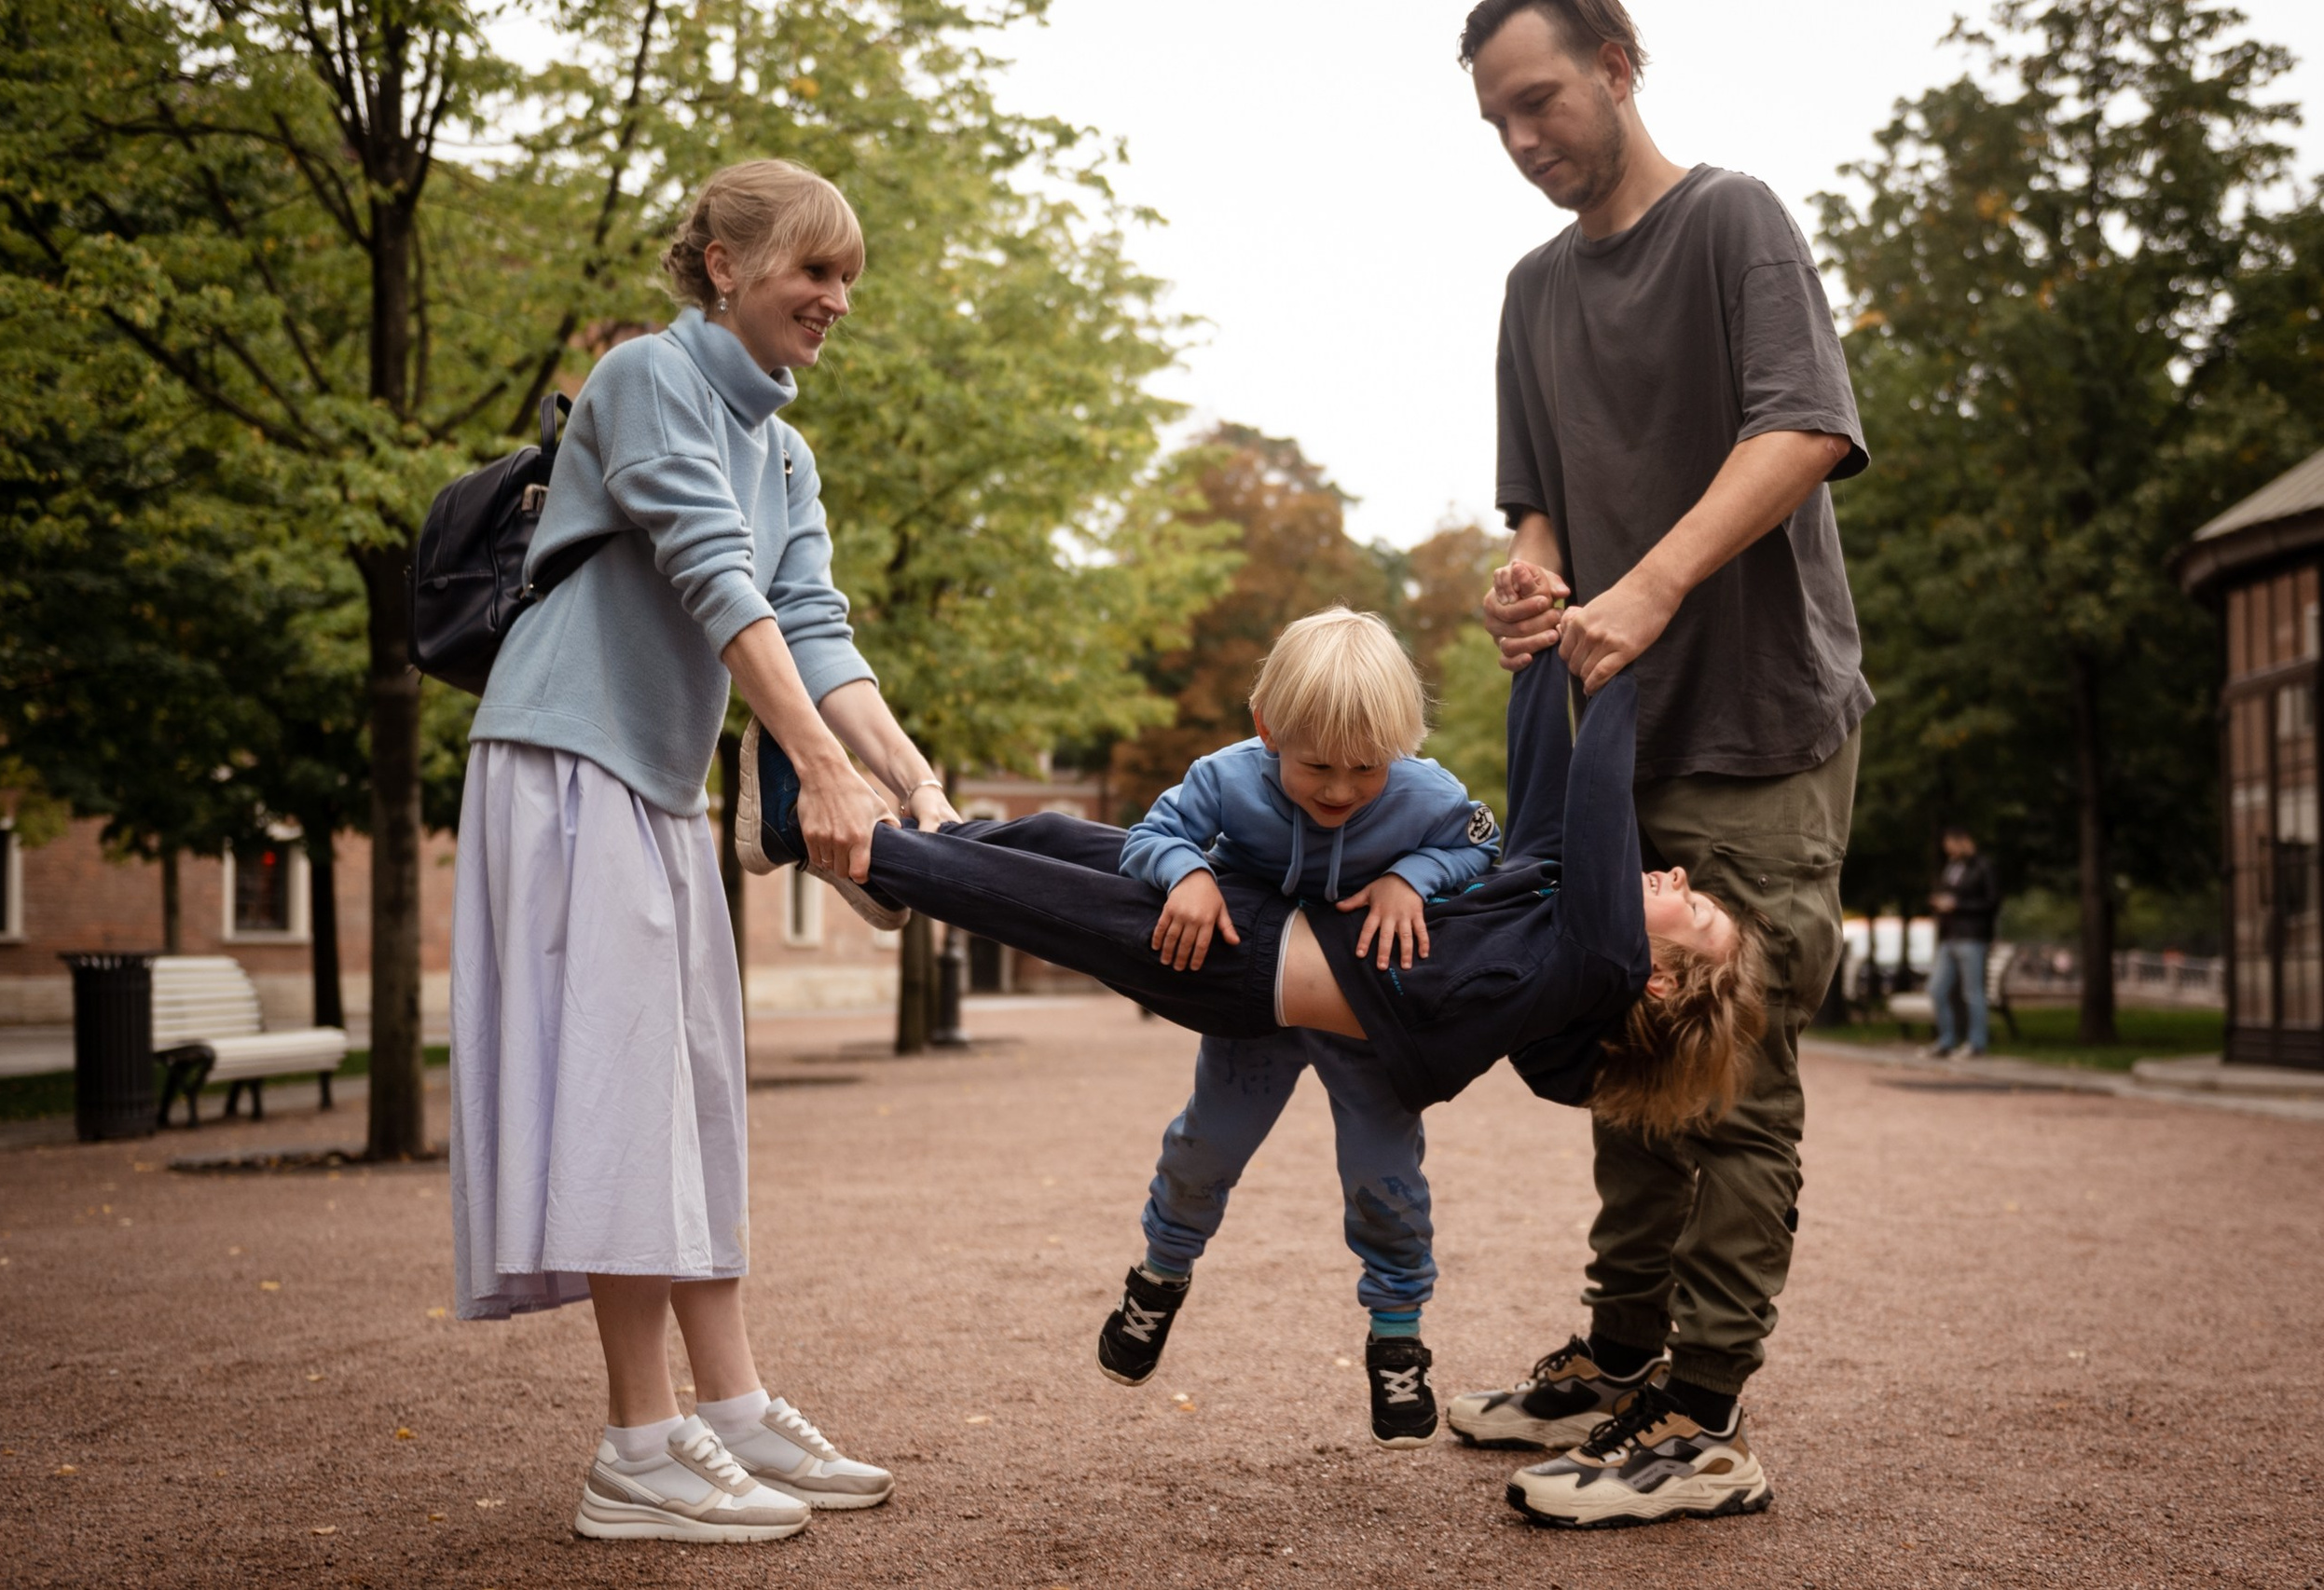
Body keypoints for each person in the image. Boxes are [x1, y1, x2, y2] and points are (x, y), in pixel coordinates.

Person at [743, 654, 1770, 1452]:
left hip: (1238, 967)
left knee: (1053, 906)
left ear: (1658, 979)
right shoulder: (1552, 901)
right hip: (1254, 915)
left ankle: (834, 837)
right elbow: (1547, 789)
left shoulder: (1592, 956)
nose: (1677, 873)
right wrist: (1542, 653)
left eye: (1699, 906)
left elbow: (1596, 795)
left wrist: (1617, 655)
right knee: (1061, 841)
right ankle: (922, 845)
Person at [448, 158, 963, 1544]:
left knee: (694, 1102)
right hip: (570, 760)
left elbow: (812, 624)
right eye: (814, 269)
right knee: (627, 1098)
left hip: (660, 787)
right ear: (726, 264)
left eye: (849, 275)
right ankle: (637, 1444)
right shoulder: (642, 380)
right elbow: (713, 577)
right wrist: (817, 766)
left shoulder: (782, 445)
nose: (837, 299)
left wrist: (911, 781)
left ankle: (726, 1409)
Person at [1459, 0, 1870, 1529]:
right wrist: (1534, 577)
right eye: (1497, 121)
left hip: (1761, 721)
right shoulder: (1528, 292)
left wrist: (1655, 583)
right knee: (1627, 1052)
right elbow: (1537, 510)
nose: (1522, 140)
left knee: (1737, 1079)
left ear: (1619, 68)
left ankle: (1704, 1421)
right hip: (1613, 742)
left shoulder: (1732, 223)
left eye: (1542, 101)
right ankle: (1623, 1358)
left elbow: (1808, 428)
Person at [1091, 607, 1501, 1449]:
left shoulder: (1426, 793)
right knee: (1206, 1147)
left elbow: (1482, 851)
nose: (1342, 789)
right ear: (1267, 729)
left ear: (1400, 748)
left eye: (1367, 768)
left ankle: (1397, 1335)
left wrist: (1415, 877)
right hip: (1256, 1010)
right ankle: (1160, 1277)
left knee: (1384, 1175)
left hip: (1365, 1019)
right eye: (1315, 765)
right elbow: (1149, 835)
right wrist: (1188, 872)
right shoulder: (1225, 778)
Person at [1927, 827, 2001, 1056]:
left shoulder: (1982, 867)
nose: (1949, 850)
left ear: (1965, 842)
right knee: (1936, 989)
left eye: (1952, 845)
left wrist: (1958, 906)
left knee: (1973, 992)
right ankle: (1946, 1041)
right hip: (1949, 937)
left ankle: (1977, 1043)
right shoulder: (1951, 867)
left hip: (1972, 937)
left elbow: (1992, 902)